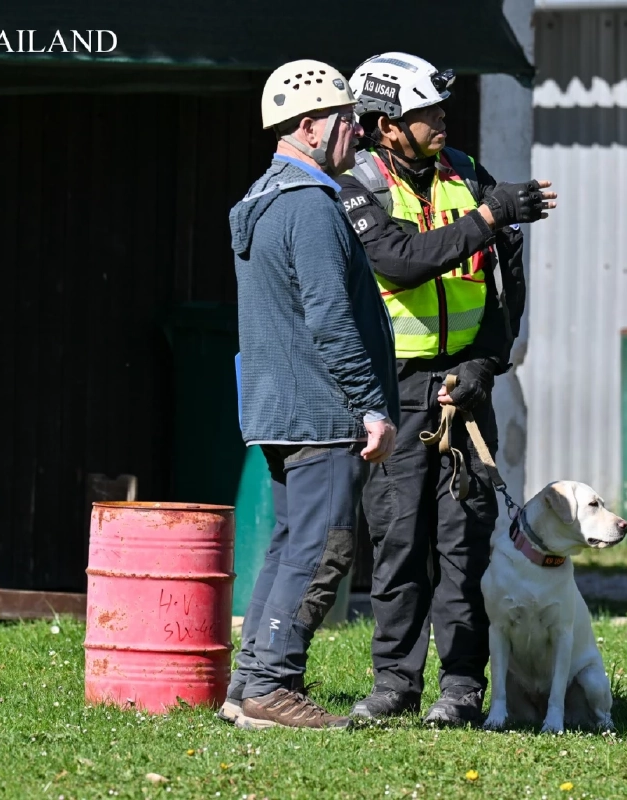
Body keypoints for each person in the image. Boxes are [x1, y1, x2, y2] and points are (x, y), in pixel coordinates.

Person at [336, 52, 556, 726]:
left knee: (464, 544)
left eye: (438, 109)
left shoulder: (467, 172)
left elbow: (505, 279)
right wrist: (488, 218)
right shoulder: (354, 185)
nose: (440, 120)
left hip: (467, 384)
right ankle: (394, 685)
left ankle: (461, 687)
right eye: (423, 112)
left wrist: (491, 362)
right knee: (400, 543)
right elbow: (399, 263)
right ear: (384, 127)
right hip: (395, 389)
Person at [221, 59, 400, 730]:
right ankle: (272, 684)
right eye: (347, 120)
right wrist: (370, 404)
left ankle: (247, 684)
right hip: (321, 408)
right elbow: (329, 315)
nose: (358, 131)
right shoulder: (310, 207)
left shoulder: (261, 201)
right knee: (322, 547)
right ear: (308, 126)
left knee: (292, 541)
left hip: (274, 405)